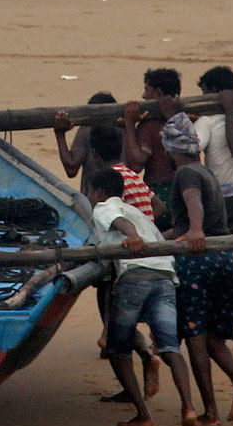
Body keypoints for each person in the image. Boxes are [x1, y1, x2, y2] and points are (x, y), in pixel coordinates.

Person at [151, 102, 233, 426]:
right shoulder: (208, 170)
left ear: (171, 149)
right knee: (213, 339)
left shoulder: (186, 173)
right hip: (223, 259)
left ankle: (210, 409)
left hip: (198, 262)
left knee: (195, 336)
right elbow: (183, 226)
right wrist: (157, 236)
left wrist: (194, 231)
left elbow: (193, 206)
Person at [54, 99, 161, 401]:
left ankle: (134, 353)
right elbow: (153, 199)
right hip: (137, 240)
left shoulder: (96, 135)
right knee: (122, 301)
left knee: (113, 301)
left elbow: (72, 167)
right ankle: (139, 351)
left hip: (112, 232)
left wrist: (60, 134)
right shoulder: (123, 143)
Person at [85, 167, 199, 426]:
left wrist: (131, 236)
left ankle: (143, 413)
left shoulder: (103, 207)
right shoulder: (139, 211)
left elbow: (119, 222)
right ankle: (189, 408)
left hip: (135, 276)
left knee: (117, 348)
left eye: (90, 192)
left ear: (99, 192)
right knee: (170, 347)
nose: (89, 197)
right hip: (165, 277)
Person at [121, 68, 182, 218]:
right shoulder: (185, 121)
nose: (143, 96)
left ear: (158, 92)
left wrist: (129, 125)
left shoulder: (149, 126)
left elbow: (137, 163)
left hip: (160, 193)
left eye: (147, 90)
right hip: (185, 189)